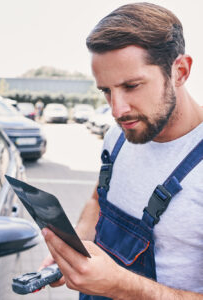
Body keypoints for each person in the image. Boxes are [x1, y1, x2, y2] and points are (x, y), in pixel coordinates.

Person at [40, 2, 203, 299]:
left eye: (131, 86)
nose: (117, 109)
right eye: (106, 90)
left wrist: (119, 285)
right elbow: (97, 201)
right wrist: (76, 246)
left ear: (180, 71)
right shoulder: (117, 137)